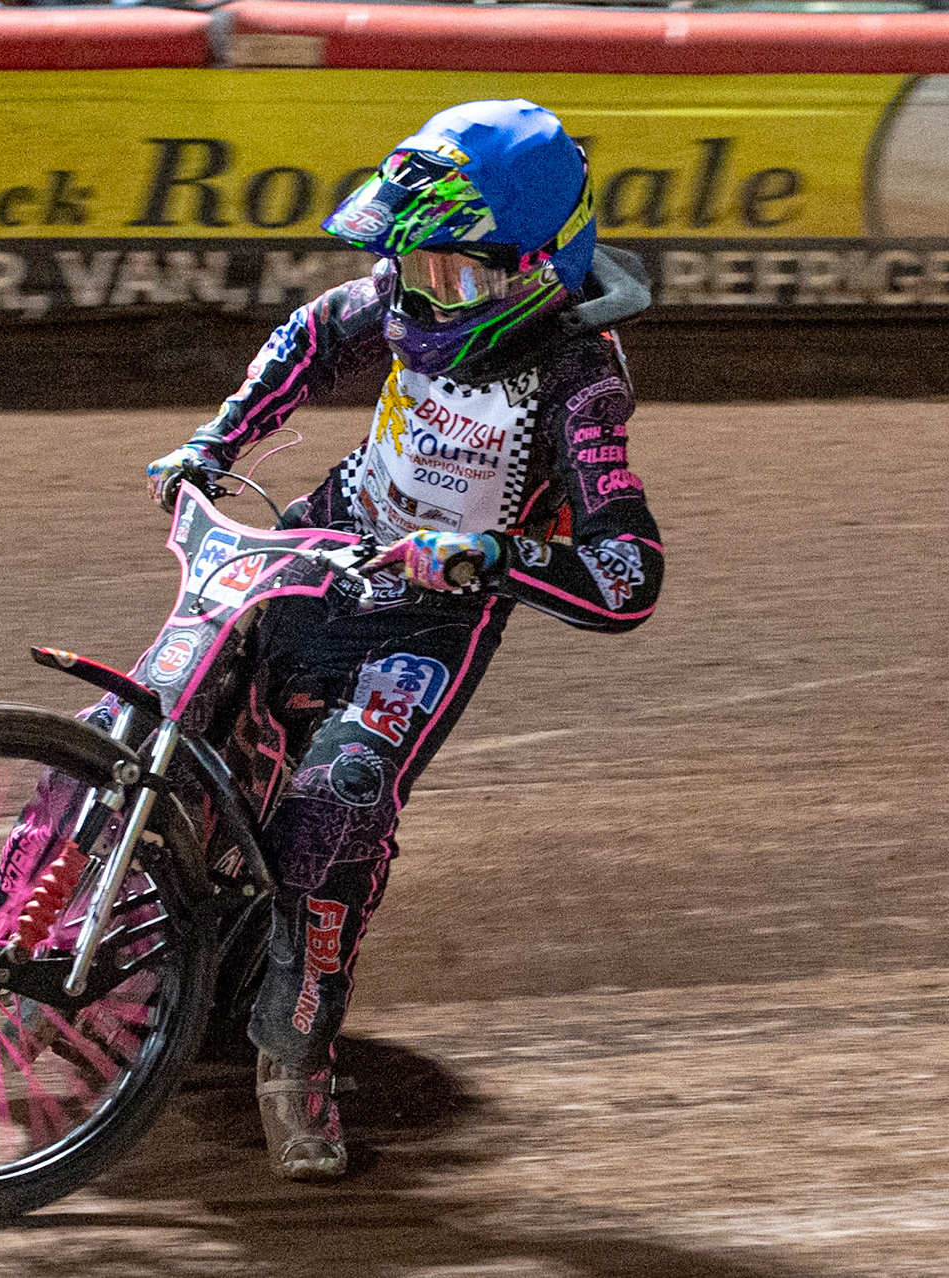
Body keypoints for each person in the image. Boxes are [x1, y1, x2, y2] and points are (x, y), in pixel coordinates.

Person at [143, 99, 665, 1181]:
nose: (422, 294)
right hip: (329, 535)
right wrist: (212, 441)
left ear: (535, 270)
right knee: (166, 695)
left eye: (455, 276)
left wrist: (491, 556)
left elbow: (629, 575)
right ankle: (63, 910)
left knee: (336, 798)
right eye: (411, 265)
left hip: (430, 618)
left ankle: (297, 1059)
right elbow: (305, 339)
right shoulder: (404, 287)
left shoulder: (581, 383)